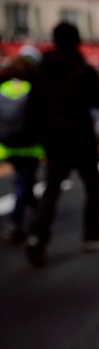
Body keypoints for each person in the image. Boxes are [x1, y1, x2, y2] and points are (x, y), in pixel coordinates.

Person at [25, 22, 99, 266]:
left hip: (53, 139)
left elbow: (32, 107)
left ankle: (38, 238)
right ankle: (93, 235)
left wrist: (36, 136)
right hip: (81, 137)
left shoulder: (40, 70)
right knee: (93, 187)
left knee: (51, 190)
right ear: (76, 40)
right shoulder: (83, 69)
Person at [0, 55, 44, 243]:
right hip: (30, 146)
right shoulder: (33, 90)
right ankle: (15, 222)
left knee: (25, 180)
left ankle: (37, 215)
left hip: (8, 146)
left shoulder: (3, 89)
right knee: (24, 183)